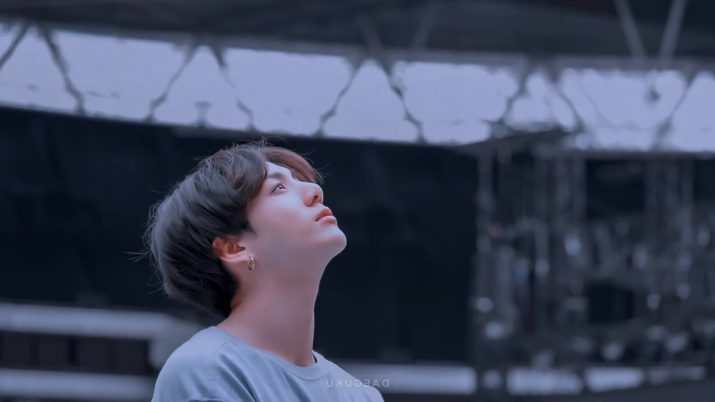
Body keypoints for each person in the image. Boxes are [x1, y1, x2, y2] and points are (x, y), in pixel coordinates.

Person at [145, 141, 384, 401]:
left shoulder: (363, 396)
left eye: (300, 181)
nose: (315, 190)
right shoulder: (208, 370)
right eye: (279, 188)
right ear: (235, 247)